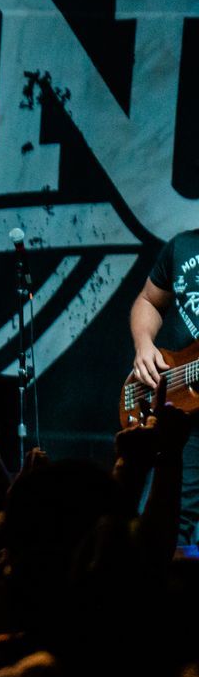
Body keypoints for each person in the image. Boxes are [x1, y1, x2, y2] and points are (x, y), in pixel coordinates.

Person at [128, 227, 198, 543]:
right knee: (167, 521)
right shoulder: (182, 246)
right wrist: (144, 344)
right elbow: (149, 300)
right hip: (186, 409)